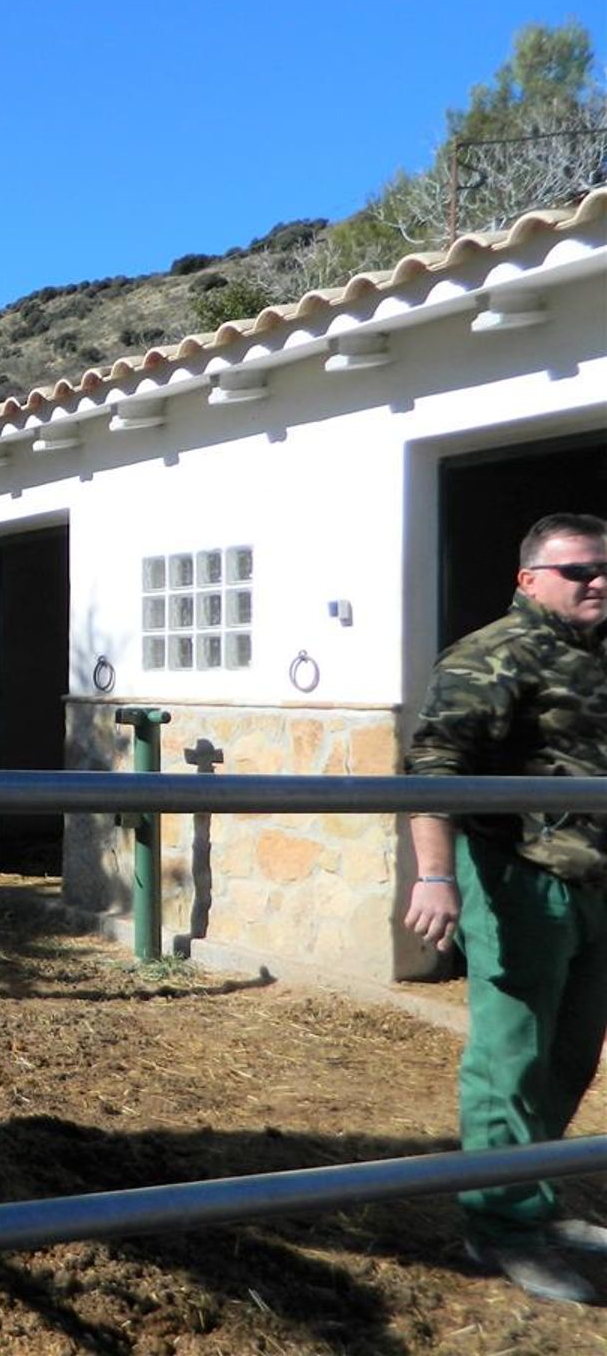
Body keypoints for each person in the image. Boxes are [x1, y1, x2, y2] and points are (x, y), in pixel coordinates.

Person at [404, 511, 607, 1303]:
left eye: (604, 568)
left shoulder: (595, 654)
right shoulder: (492, 654)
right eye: (579, 570)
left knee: (569, 1056)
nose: (597, 581)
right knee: (512, 1054)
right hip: (522, 878)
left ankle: (532, 1195)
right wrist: (434, 877)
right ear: (530, 580)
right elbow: (432, 769)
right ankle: (500, 1227)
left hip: (595, 882)